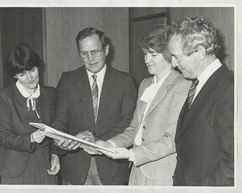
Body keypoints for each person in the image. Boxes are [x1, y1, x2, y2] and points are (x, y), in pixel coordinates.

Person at [93, 24, 191, 186]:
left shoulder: (181, 85)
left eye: (153, 54)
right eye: (145, 54)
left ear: (170, 56)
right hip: (137, 173)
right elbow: (134, 129)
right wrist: (110, 144)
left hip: (162, 176)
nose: (147, 59)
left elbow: (172, 140)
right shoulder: (145, 84)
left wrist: (131, 154)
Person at [51, 27, 137, 185]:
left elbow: (129, 122)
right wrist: (61, 139)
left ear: (106, 49)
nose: (90, 58)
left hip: (112, 168)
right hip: (75, 169)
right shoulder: (67, 80)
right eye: (84, 53)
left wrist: (97, 140)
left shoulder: (124, 81)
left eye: (95, 51)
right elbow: (60, 119)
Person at [168, 17, 234, 186]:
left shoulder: (229, 89)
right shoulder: (197, 84)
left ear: (200, 52)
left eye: (176, 57)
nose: (173, 64)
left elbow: (235, 161)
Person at [0, 43, 60, 184]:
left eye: (32, 70)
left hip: (45, 164)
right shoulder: (5, 96)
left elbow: (57, 128)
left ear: (38, 67)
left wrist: (56, 154)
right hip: (14, 167)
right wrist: (29, 138)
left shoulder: (50, 93)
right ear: (15, 76)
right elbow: (2, 136)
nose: (30, 78)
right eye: (22, 74)